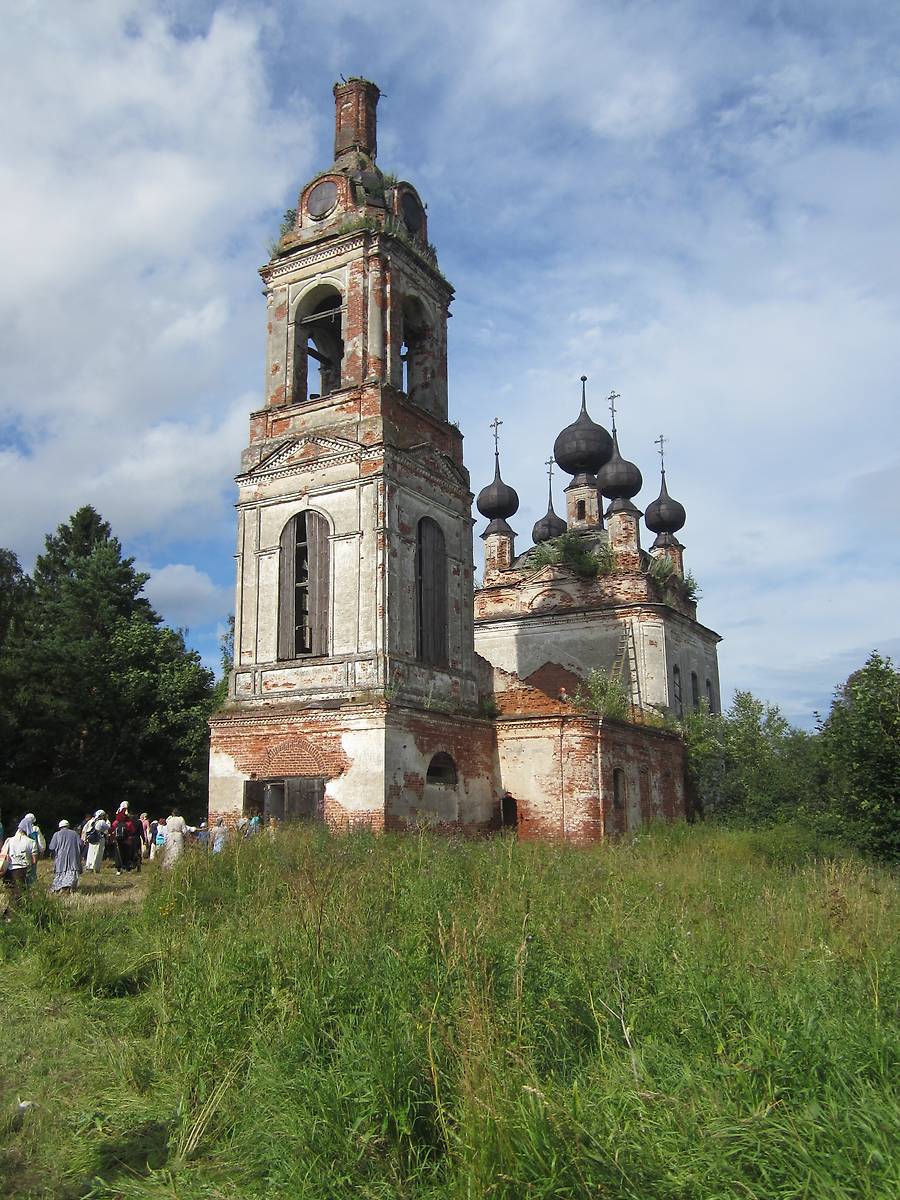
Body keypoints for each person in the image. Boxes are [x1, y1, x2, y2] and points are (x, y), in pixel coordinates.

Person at [1, 818, 39, 917]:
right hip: (22, 871)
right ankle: (11, 916)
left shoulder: (9, 840)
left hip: (9, 871)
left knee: (11, 894)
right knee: (19, 895)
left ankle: (10, 915)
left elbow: (4, 855)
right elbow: (34, 861)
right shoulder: (31, 842)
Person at [48, 820, 83, 894]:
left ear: (60, 827)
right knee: (71, 872)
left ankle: (57, 888)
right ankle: (67, 887)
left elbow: (51, 847)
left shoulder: (56, 834)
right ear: (68, 826)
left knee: (60, 873)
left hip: (61, 859)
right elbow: (80, 843)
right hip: (73, 858)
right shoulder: (74, 833)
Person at [110, 803, 142, 874]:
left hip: (118, 841)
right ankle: (128, 867)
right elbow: (132, 831)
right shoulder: (129, 823)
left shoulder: (116, 822)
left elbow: (111, 830)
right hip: (127, 841)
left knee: (118, 855)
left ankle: (118, 869)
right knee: (127, 855)